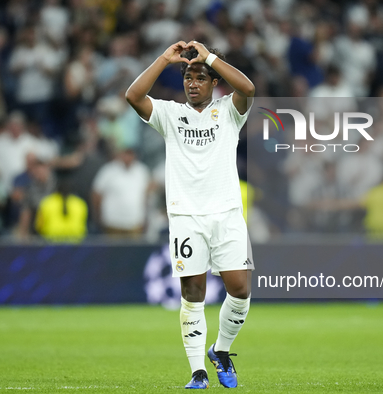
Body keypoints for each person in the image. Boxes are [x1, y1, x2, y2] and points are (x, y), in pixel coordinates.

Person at [125, 40, 255, 389]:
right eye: (187, 77)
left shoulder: (230, 111)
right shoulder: (170, 114)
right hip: (186, 217)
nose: (192, 83)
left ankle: (221, 351)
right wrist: (164, 59)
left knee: (240, 290)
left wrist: (209, 56)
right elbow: (133, 97)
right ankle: (197, 371)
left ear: (214, 83)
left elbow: (248, 87)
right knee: (193, 293)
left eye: (200, 77)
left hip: (227, 215)